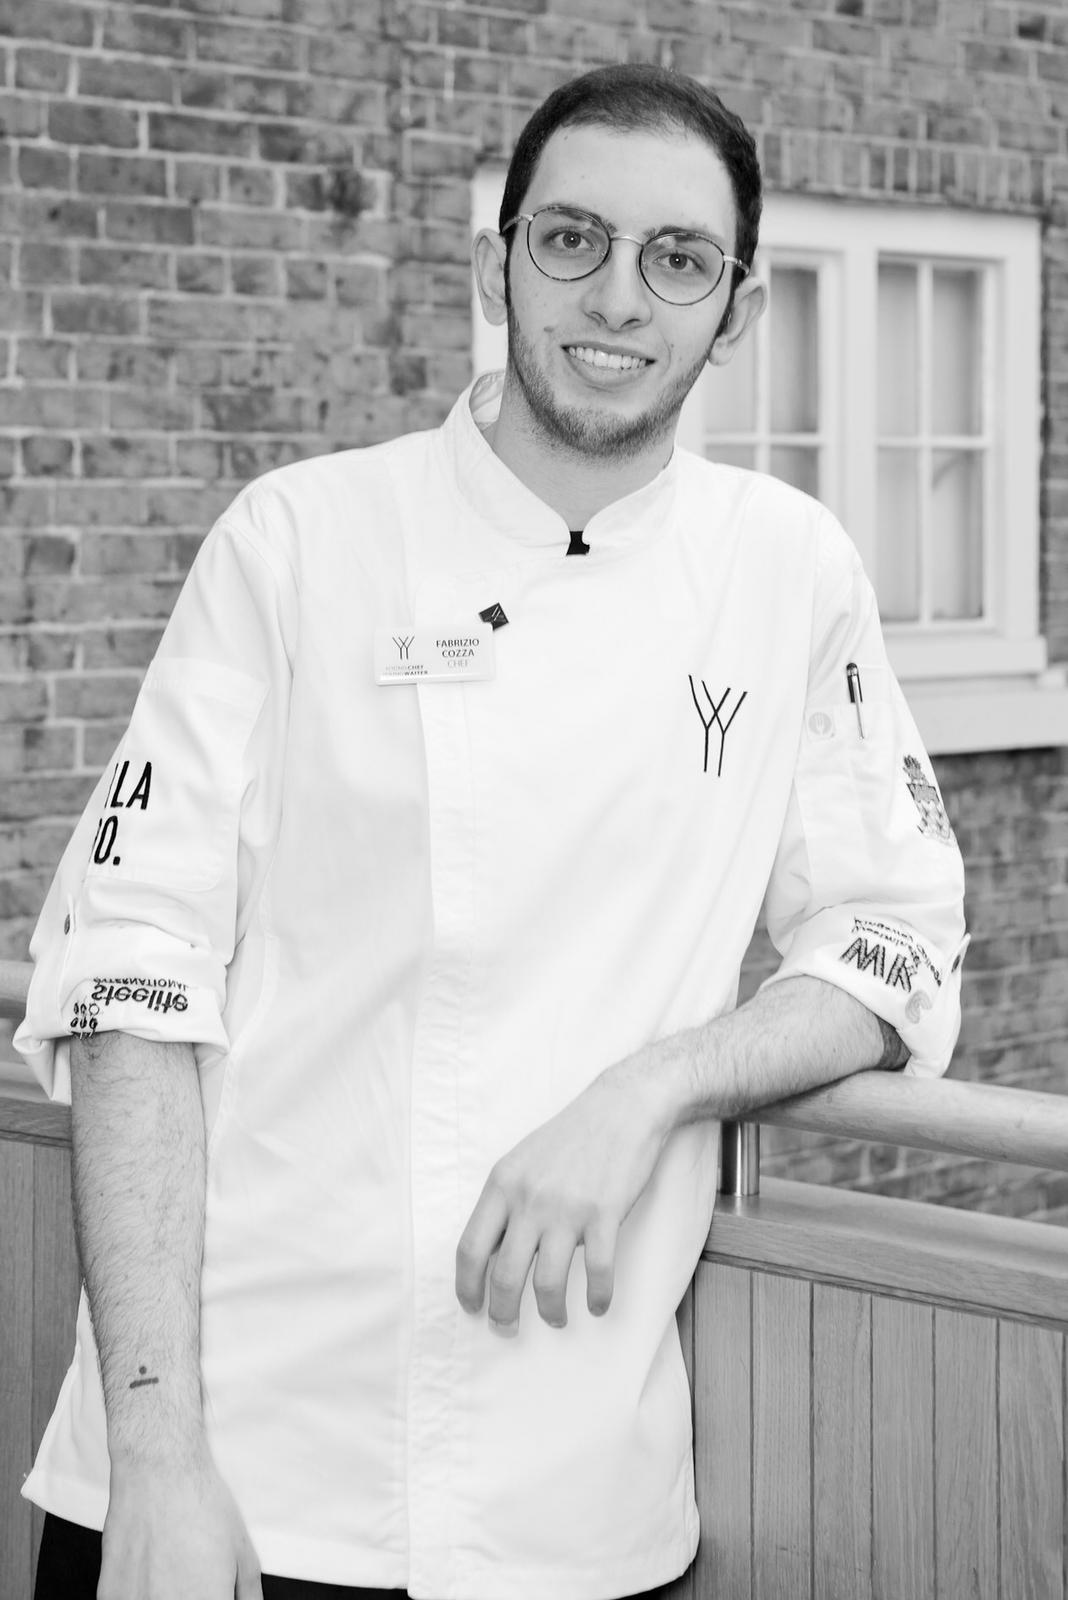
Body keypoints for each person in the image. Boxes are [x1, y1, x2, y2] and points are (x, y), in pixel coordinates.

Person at [17, 61, 967, 1600]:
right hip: (235, 1476)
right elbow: (132, 976)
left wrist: (653, 1089)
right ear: (494, 267)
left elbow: (896, 939)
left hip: (572, 1504)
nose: (619, 296)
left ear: (736, 312)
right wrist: (158, 1453)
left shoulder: (788, 570)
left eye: (678, 258)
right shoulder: (297, 540)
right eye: (571, 239)